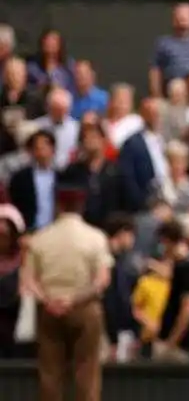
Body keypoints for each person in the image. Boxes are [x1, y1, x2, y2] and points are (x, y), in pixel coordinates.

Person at [21, 164, 113, 401]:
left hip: (49, 310)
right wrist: (73, 300)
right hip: (84, 309)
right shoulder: (96, 237)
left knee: (50, 378)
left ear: (58, 204)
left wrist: (50, 300)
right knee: (87, 376)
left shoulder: (40, 239)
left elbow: (28, 281)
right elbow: (102, 280)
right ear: (81, 205)